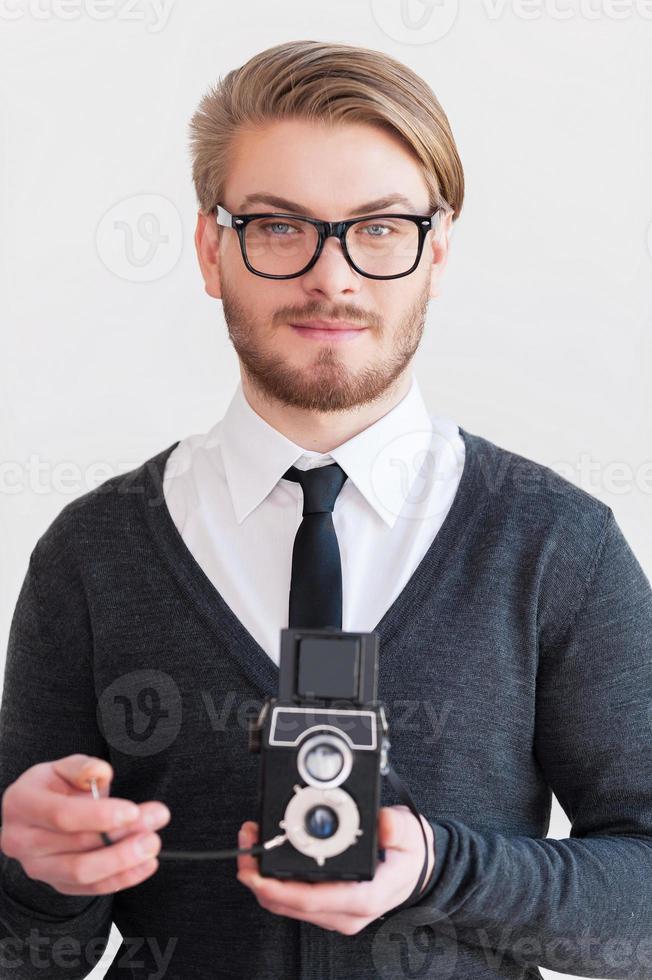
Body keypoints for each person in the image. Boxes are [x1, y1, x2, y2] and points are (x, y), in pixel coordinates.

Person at [1, 38, 651, 980]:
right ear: (209, 249)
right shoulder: (93, 553)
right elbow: (30, 956)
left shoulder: (557, 543)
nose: (333, 276)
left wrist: (440, 865)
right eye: (278, 226)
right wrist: (35, 878)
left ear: (439, 252)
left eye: (380, 228)